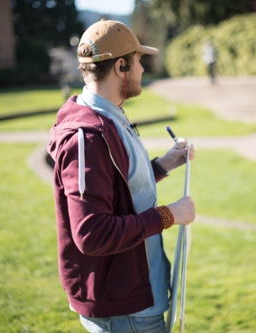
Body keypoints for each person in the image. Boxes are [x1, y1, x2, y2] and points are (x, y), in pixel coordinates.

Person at [47, 19, 196, 333]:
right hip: (125, 311)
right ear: (120, 66)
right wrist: (169, 215)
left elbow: (120, 189)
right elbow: (92, 233)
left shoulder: (111, 116)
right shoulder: (87, 138)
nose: (142, 68)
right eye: (139, 61)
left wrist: (164, 165)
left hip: (138, 298)